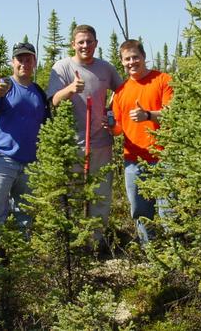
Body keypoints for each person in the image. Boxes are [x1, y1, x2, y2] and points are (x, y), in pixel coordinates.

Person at [47, 24, 123, 245]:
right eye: (80, 42)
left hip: (100, 142)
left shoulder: (106, 68)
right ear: (73, 44)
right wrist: (70, 89)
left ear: (96, 44)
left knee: (101, 193)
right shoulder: (62, 67)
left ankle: (96, 242)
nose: (85, 46)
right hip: (71, 144)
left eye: (89, 41)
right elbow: (53, 100)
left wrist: (110, 112)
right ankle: (74, 242)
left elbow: (122, 92)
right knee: (73, 194)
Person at [0, 41, 49, 254]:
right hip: (1, 159)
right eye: (20, 59)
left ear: (34, 62)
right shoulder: (4, 85)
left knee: (24, 212)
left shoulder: (38, 92)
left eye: (28, 59)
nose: (24, 63)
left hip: (29, 162)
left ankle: (21, 258)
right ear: (12, 62)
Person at [111, 39, 173, 244]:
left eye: (135, 57)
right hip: (133, 161)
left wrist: (147, 115)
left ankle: (175, 256)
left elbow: (172, 114)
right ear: (122, 62)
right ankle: (150, 252)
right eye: (127, 59)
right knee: (140, 212)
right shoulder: (120, 92)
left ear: (144, 57)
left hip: (164, 157)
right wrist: (110, 127)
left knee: (169, 212)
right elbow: (119, 129)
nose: (132, 62)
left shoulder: (163, 80)